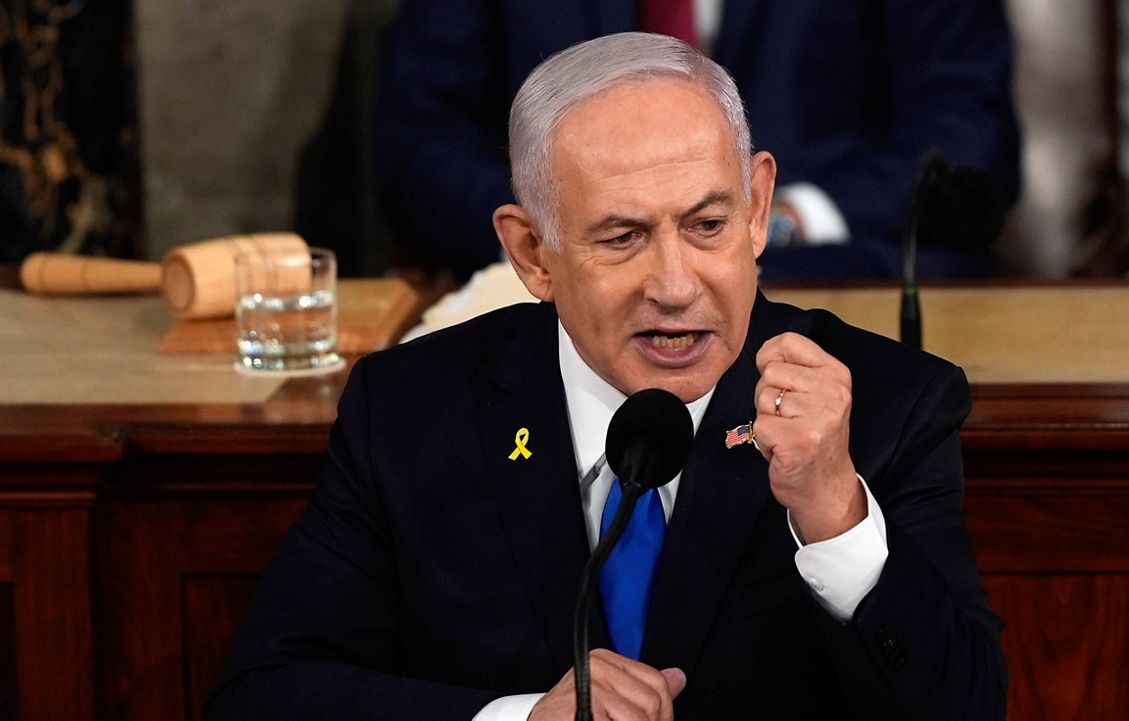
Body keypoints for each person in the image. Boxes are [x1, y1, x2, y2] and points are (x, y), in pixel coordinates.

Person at [207, 33, 1004, 720]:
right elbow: (264, 695)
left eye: (707, 226)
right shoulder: (413, 411)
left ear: (759, 209)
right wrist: (518, 718)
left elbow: (965, 709)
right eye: (622, 237)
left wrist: (835, 510)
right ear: (531, 253)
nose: (676, 284)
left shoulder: (887, 406)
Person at [375, 0, 1021, 283]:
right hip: (572, 305)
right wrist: (581, 237)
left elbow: (969, 138)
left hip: (832, 279)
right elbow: (420, 140)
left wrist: (783, 221)